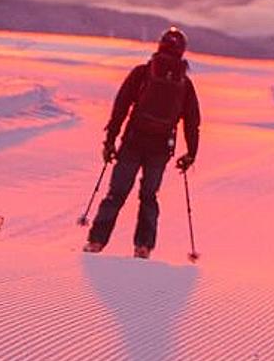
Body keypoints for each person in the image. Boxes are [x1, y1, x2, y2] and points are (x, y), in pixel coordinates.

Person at [85, 28, 201, 259]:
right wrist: (191, 154)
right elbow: (192, 122)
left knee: (116, 193)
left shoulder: (142, 73)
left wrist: (110, 141)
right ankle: (143, 247)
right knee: (149, 196)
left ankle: (96, 241)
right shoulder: (184, 84)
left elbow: (121, 107)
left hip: (133, 141)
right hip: (160, 148)